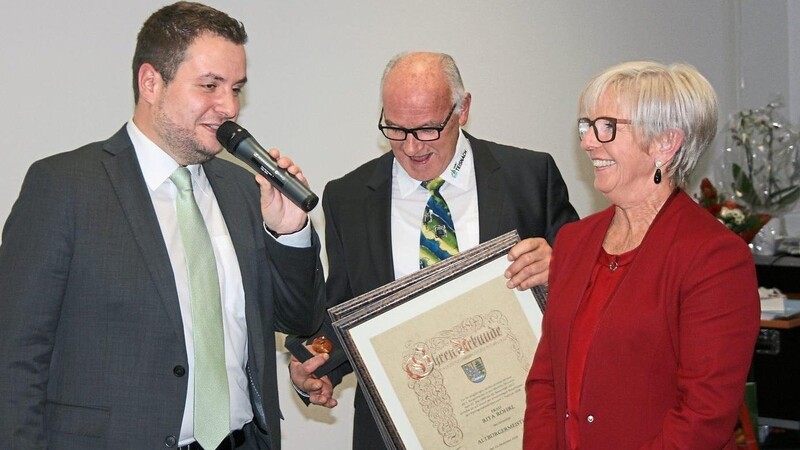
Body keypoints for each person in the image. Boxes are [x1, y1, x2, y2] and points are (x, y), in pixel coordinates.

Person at [0, 2, 327, 449]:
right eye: (210, 86)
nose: (229, 107)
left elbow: (300, 320)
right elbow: (15, 358)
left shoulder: (242, 189)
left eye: (236, 88)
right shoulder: (64, 187)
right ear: (151, 82)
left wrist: (289, 233)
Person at [290, 51, 579, 449]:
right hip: (405, 431)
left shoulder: (529, 176)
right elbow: (344, 308)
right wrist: (311, 362)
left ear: (463, 110)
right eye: (395, 129)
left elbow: (594, 283)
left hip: (522, 421)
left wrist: (562, 267)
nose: (411, 147)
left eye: (428, 129)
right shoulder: (349, 197)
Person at [523, 61, 761, 449]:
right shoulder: (574, 241)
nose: (587, 142)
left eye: (607, 127)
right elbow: (546, 381)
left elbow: (703, 416)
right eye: (587, 125)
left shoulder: (715, 258)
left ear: (665, 143)